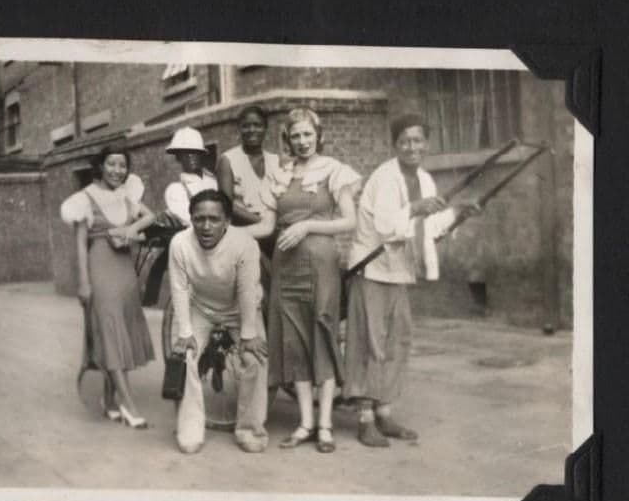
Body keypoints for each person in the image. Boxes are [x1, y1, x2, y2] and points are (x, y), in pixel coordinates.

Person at [343, 113, 473, 448]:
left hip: (398, 270)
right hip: (370, 269)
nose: (411, 147)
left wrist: (459, 213)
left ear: (426, 144)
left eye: (417, 141)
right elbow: (389, 225)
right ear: (395, 145)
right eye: (404, 141)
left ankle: (385, 412)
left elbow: (431, 225)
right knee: (369, 342)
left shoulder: (426, 179)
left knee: (398, 339)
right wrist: (417, 207)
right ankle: (365, 418)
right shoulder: (386, 177)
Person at [245, 107, 360, 453]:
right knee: (294, 341)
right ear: (288, 140)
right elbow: (266, 227)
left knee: (322, 333)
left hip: (321, 263)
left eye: (308, 134)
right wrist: (228, 233)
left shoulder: (335, 172)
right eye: (296, 136)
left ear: (318, 135)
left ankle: (324, 425)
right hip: (286, 267)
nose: (303, 141)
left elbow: (349, 222)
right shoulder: (278, 176)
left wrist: (307, 225)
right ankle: (305, 423)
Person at [60, 144, 157, 428]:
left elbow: (151, 216)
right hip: (99, 269)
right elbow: (80, 244)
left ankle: (109, 401)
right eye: (112, 164)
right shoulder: (84, 198)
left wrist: (130, 230)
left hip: (125, 272)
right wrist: (83, 283)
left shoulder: (127, 195)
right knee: (111, 331)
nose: (118, 170)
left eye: (123, 165)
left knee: (120, 332)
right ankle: (128, 405)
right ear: (100, 166)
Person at [169, 189, 269, 454]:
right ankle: (190, 430)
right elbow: (179, 288)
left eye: (214, 219)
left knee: (255, 359)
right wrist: (185, 332)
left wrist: (248, 334)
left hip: (240, 309)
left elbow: (247, 290)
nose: (206, 226)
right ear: (190, 218)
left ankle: (249, 430)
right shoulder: (179, 243)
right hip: (201, 308)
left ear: (227, 221)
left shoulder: (244, 244)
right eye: (199, 218)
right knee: (186, 355)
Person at [215, 105, 280, 251]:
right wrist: (262, 222)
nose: (252, 130)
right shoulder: (228, 160)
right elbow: (227, 206)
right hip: (244, 228)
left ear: (265, 128)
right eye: (246, 126)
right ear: (239, 129)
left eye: (257, 125)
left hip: (272, 227)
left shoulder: (275, 161)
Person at [163, 127, 218, 227]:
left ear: (201, 154)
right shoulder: (175, 190)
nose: (190, 156)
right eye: (185, 153)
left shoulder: (213, 182)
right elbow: (191, 222)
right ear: (178, 157)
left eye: (194, 151)